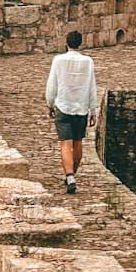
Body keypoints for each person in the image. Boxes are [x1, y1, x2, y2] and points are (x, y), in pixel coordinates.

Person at [45, 28, 99, 195]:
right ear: (80, 43)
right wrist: (93, 109)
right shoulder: (88, 62)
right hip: (81, 107)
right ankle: (72, 175)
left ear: (66, 43)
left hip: (63, 105)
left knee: (65, 144)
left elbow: (52, 84)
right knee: (77, 142)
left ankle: (69, 176)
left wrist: (50, 103)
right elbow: (92, 86)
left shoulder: (58, 60)